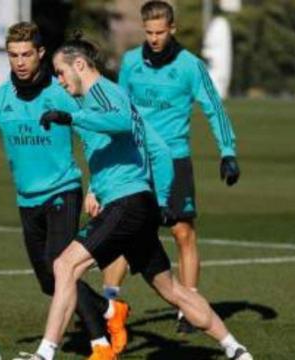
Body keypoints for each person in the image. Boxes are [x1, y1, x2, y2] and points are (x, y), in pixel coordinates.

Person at [13, 34, 252, 360]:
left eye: (60, 71)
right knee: (171, 289)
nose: (59, 79)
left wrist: (72, 118)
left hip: (125, 205)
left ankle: (44, 354)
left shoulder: (104, 93)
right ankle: (235, 348)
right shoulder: (109, 96)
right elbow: (159, 150)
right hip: (136, 204)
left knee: (64, 265)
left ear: (79, 65)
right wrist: (161, 200)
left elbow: (119, 121)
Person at [0, 22, 126, 360]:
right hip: (27, 200)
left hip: (63, 191)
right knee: (48, 281)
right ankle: (109, 311)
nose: (20, 62)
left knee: (61, 268)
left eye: (27, 54)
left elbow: (94, 137)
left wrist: (97, 187)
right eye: (13, 55)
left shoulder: (62, 93)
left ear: (40, 53)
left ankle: (100, 345)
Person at [100, 0, 241, 333]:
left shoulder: (191, 67)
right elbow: (118, 109)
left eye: (160, 32)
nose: (154, 38)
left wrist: (228, 152)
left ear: (172, 29)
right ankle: (109, 305)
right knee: (122, 230)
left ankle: (189, 308)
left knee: (182, 233)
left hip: (175, 160)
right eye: (148, 32)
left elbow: (214, 109)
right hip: (135, 160)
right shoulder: (132, 62)